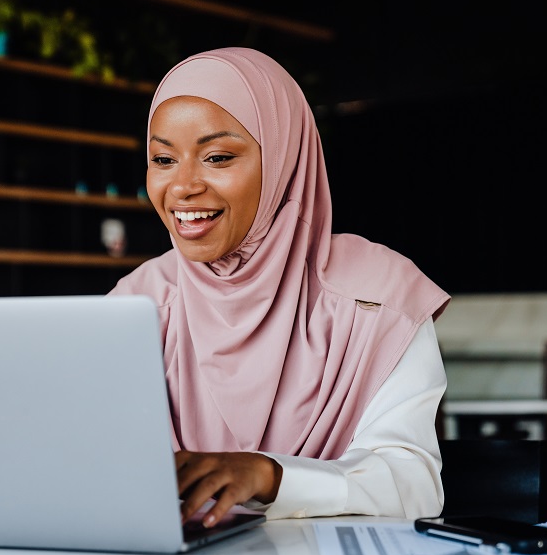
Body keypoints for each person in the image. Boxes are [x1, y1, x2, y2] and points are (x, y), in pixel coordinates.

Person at [109, 47, 450, 528]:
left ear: (285, 160)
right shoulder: (137, 303)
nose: (182, 186)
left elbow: (413, 485)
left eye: (218, 157)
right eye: (163, 159)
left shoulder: (377, 299)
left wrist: (271, 477)